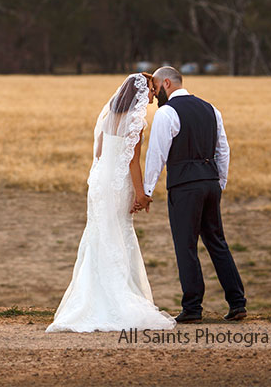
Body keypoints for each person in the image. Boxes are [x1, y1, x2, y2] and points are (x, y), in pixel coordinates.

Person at [46, 73, 175, 332]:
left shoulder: (108, 118)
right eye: (150, 91)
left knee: (100, 234)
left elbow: (99, 153)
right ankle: (117, 297)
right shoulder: (136, 121)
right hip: (118, 184)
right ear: (138, 94)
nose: (152, 96)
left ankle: (91, 298)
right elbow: (132, 161)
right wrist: (141, 194)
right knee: (118, 232)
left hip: (100, 184)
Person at [137, 66, 247, 323]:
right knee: (217, 242)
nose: (154, 93)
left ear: (166, 84)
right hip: (210, 182)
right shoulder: (211, 109)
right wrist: (219, 182)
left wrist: (147, 190)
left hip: (185, 186)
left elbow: (157, 154)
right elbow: (223, 149)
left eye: (155, 86)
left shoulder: (167, 113)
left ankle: (193, 307)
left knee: (186, 246)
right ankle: (237, 302)